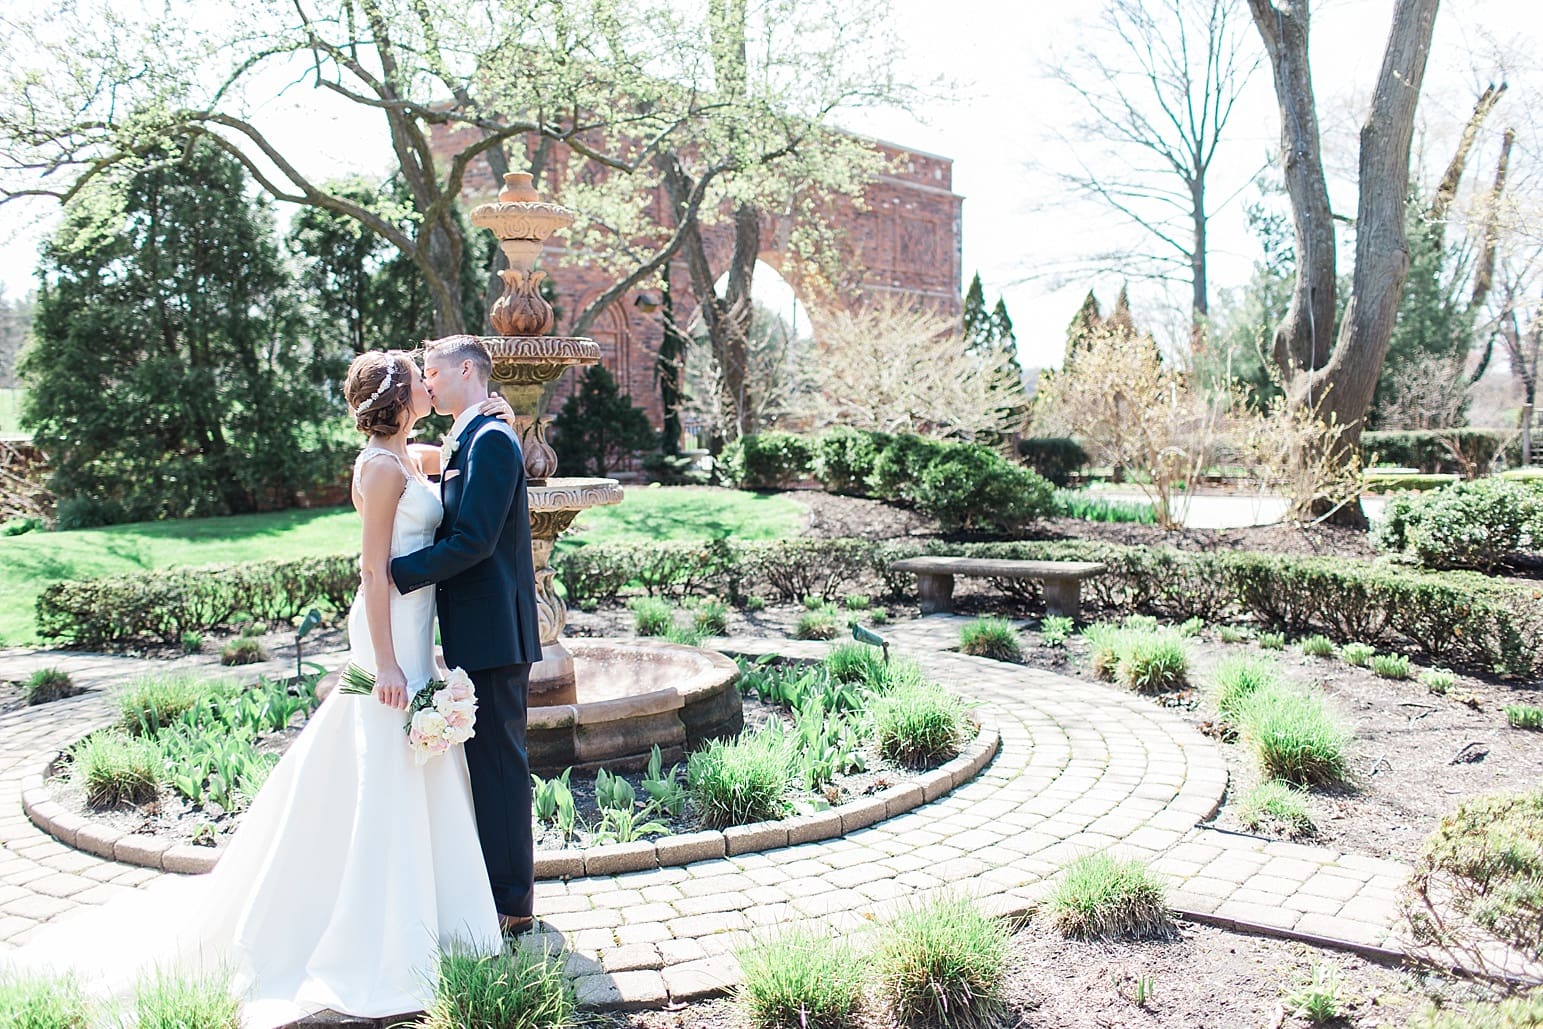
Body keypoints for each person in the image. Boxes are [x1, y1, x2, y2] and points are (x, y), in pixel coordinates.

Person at [5, 350, 520, 1026]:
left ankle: (440, 915)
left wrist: (493, 415)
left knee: (417, 766)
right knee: (384, 763)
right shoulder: (380, 468)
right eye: (417, 375)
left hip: (419, 630)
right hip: (391, 632)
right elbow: (372, 572)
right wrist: (388, 664)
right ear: (400, 395)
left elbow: (451, 456)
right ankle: (377, 932)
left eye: (433, 373)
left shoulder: (406, 454)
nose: (429, 382)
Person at [390, 334, 542, 936]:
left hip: (496, 634)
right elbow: (421, 458)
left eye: (434, 372)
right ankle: (495, 889)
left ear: (468, 372)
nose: (427, 382)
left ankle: (513, 906)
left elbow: (475, 541)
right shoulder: (472, 435)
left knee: (501, 769)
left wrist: (396, 573)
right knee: (487, 766)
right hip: (476, 631)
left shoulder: (495, 441)